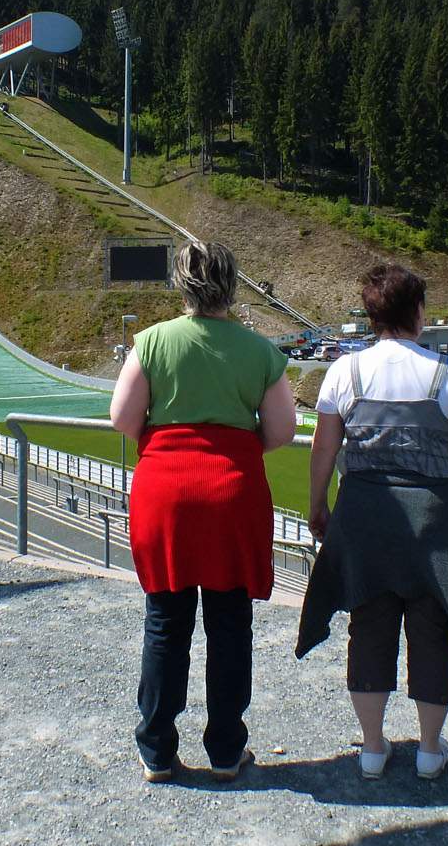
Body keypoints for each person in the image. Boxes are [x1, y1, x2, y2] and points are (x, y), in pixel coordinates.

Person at [296, 263, 448, 782]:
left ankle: (372, 749)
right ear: (417, 310)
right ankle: (430, 750)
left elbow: (326, 446)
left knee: (368, 625)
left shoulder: (346, 372)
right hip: (437, 521)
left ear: (370, 315)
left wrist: (318, 503)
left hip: (366, 518)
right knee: (433, 628)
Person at [110, 240, 297, 784]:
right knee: (230, 623)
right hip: (232, 495)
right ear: (231, 282)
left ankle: (157, 750)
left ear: (182, 283)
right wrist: (234, 450)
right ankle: (224, 748)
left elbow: (123, 417)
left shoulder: (150, 341)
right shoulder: (260, 350)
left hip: (164, 492)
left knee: (166, 621)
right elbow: (283, 430)